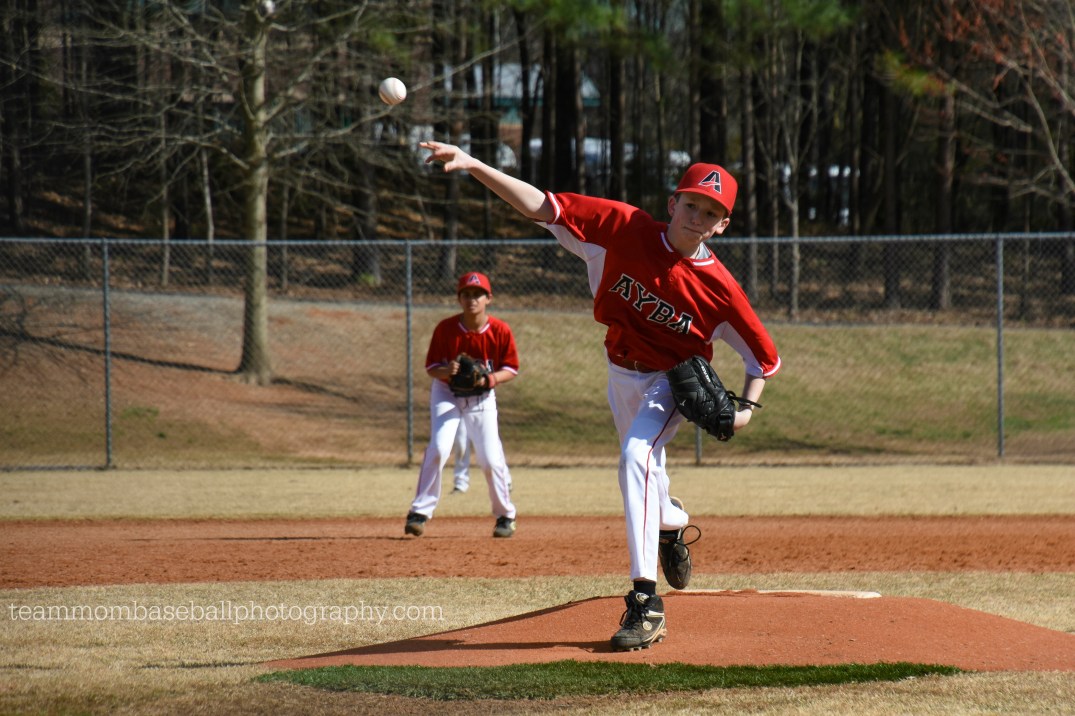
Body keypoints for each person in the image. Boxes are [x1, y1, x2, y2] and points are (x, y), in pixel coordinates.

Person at [420, 140, 781, 651]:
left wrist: (741, 415)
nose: (698, 217)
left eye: (713, 213)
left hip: (672, 382)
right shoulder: (622, 228)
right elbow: (542, 206)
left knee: (636, 456)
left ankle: (645, 602)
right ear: (673, 203)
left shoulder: (720, 289)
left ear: (723, 225)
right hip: (620, 373)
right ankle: (671, 522)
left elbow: (763, 360)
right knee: (647, 475)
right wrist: (476, 165)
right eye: (693, 204)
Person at [405, 271, 520, 539]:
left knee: (491, 459)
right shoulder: (445, 329)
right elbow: (432, 368)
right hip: (446, 394)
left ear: (488, 298)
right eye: (466, 294)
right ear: (459, 298)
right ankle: (419, 512)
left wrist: (490, 378)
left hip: (482, 397)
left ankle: (505, 516)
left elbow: (511, 369)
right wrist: (448, 370)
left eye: (478, 294)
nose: (472, 299)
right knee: (439, 448)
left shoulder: (500, 331)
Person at [450, 421, 472, 493]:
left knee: (488, 446)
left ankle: (504, 479)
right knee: (461, 443)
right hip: (459, 411)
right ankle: (461, 482)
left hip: (480, 411)